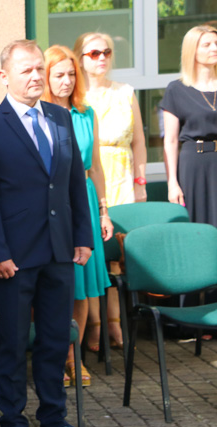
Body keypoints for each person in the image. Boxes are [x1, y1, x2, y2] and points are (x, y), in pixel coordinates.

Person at [0, 39, 99, 427]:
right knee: (12, 342)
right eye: (27, 70)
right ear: (4, 75)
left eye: (40, 68)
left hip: (60, 251)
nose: (37, 76)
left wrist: (83, 236)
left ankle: (54, 422)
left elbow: (75, 182)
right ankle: (13, 426)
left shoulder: (60, 117)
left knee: (55, 340)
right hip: (14, 257)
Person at [42, 45, 114, 386]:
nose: (67, 80)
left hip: (83, 199)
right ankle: (53, 359)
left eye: (71, 74)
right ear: (45, 77)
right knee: (55, 286)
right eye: (59, 75)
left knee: (82, 288)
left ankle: (75, 358)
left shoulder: (86, 114)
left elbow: (96, 166)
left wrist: (103, 210)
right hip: (51, 204)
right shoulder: (37, 114)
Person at [75, 32, 148, 349]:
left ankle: (116, 327)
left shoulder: (125, 92)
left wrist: (140, 183)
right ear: (80, 57)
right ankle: (94, 327)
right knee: (92, 255)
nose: (101, 57)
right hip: (91, 178)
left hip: (122, 176)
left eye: (106, 52)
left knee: (117, 258)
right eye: (93, 53)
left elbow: (140, 142)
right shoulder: (76, 98)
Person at [162, 24, 217, 227]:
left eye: (216, 43)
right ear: (192, 50)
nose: (214, 48)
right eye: (207, 45)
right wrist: (172, 183)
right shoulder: (176, 89)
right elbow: (170, 140)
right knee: (199, 225)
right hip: (194, 164)